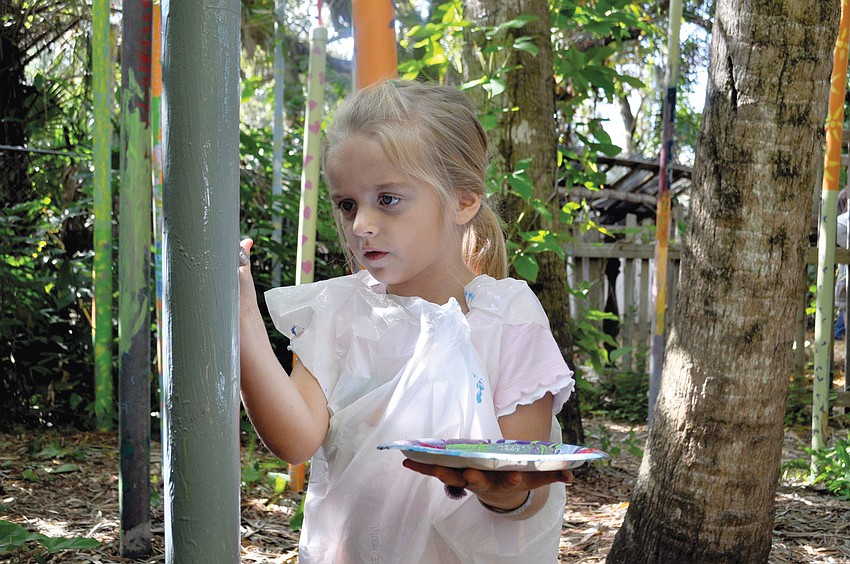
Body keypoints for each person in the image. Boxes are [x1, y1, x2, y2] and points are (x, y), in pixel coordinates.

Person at [238, 80, 575, 563]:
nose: (360, 226)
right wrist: (246, 324)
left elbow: (528, 490)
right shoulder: (337, 312)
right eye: (348, 204)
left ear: (463, 200)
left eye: (388, 199)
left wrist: (503, 489)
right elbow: (295, 440)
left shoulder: (507, 319)